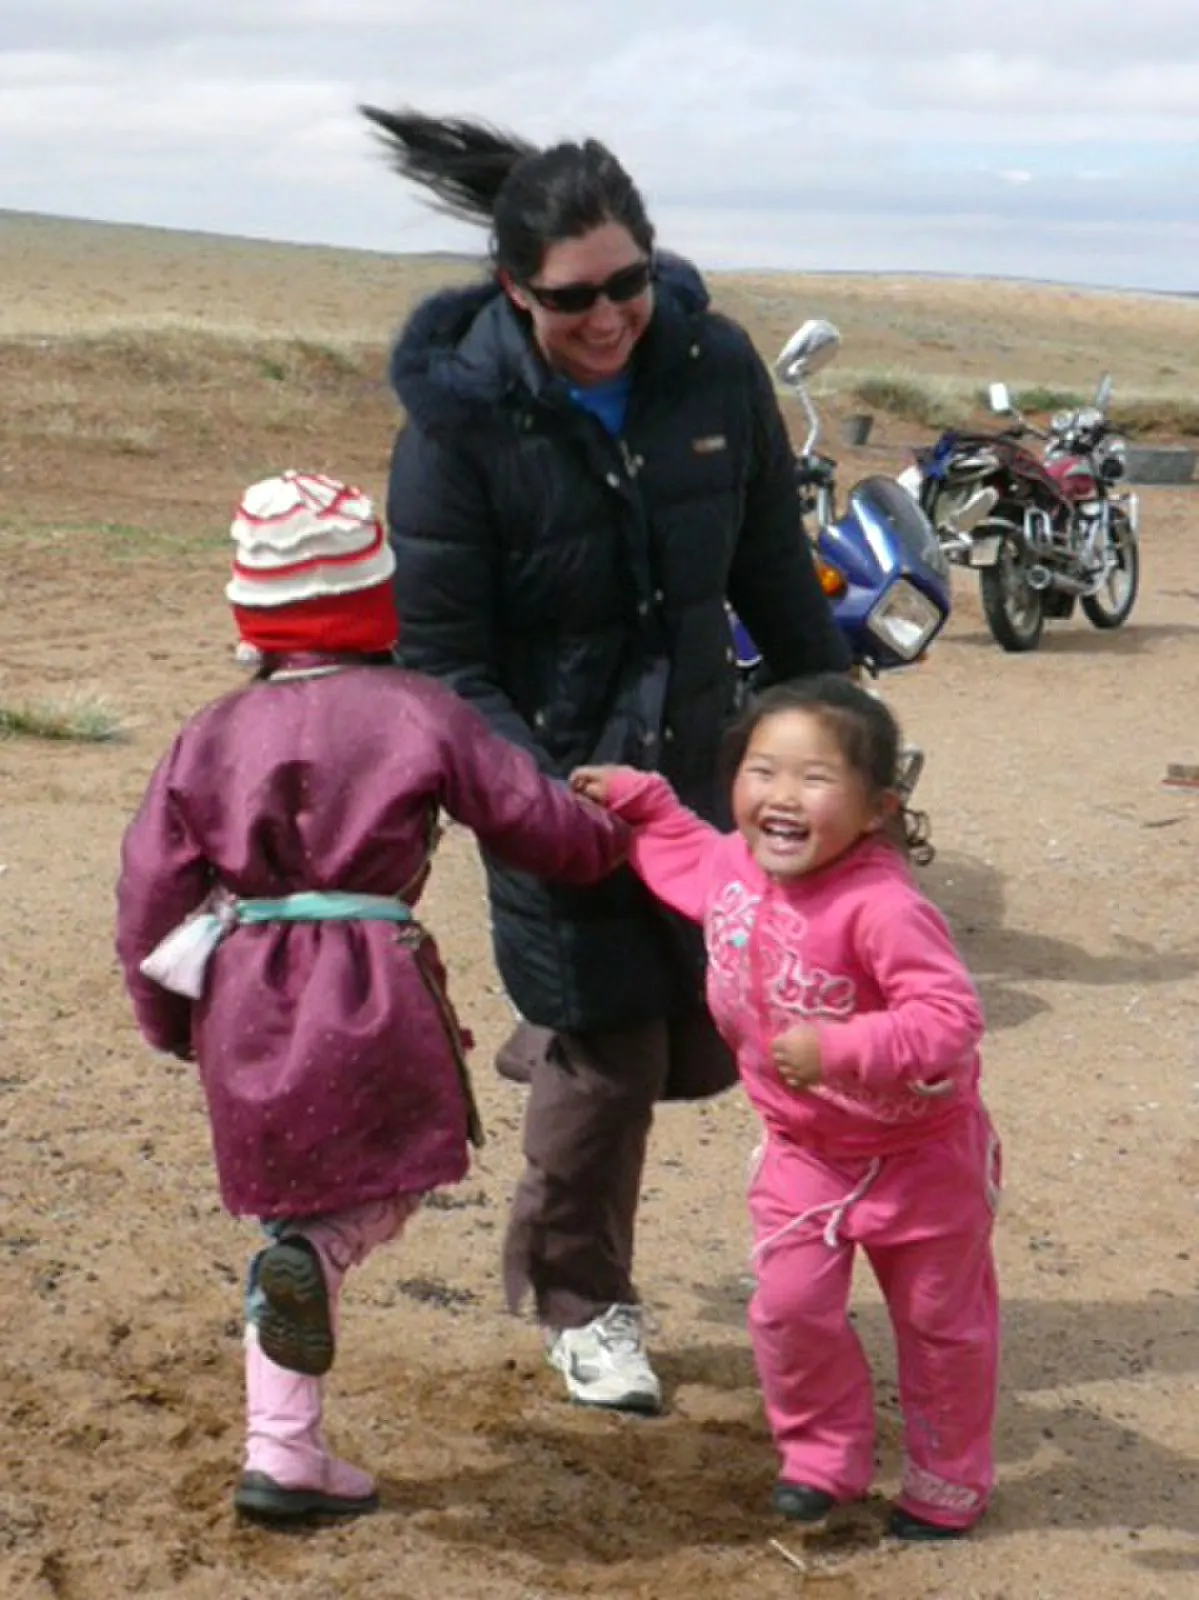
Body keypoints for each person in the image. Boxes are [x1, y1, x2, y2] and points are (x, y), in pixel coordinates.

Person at [360, 105, 853, 1413]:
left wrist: (842, 742)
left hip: (702, 776)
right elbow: (444, 661)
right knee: (615, 1052)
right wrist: (539, 804)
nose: (608, 316)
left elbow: (767, 567)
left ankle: (563, 1036)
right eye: (573, 296)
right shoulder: (457, 429)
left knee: (705, 1031)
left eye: (628, 281)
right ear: (513, 289)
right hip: (554, 789)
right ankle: (583, 1306)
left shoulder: (711, 366)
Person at [113, 471, 627, 1523]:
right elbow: (537, 826)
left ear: (250, 614)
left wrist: (169, 1018)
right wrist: (616, 833)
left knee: (285, 1209)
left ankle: (284, 1449)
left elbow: (146, 895)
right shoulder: (419, 710)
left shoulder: (206, 734)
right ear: (377, 601)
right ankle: (317, 1264)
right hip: (375, 983)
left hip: (245, 992)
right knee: (369, 1196)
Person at [570, 675, 1000, 1540]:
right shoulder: (736, 866)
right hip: (803, 1149)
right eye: (760, 771)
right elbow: (688, 856)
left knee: (939, 1324)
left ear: (878, 807)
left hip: (922, 1158)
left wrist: (840, 1048)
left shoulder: (883, 908)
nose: (780, 796)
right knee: (787, 1307)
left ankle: (947, 1483)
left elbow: (949, 1020)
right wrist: (644, 804)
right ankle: (820, 1460)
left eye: (815, 779)